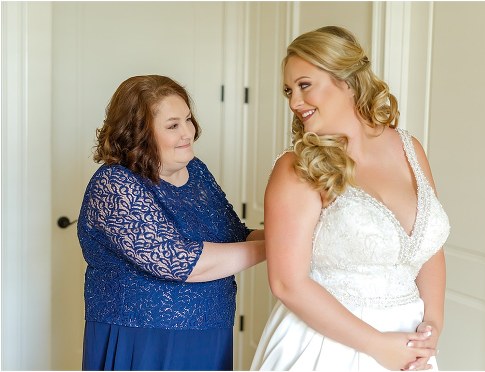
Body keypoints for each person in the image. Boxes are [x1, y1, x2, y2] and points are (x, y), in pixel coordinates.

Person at [249, 26, 450, 371]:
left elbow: (428, 248)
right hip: (325, 348)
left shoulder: (409, 148)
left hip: (410, 347)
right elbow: (287, 283)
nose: (295, 102)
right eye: (289, 91)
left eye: (305, 85)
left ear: (347, 80)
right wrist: (375, 345)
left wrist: (432, 324)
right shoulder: (297, 167)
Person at [77, 75, 266, 370]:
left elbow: (234, 235)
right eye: (173, 125)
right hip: (143, 339)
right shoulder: (115, 183)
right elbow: (177, 261)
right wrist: (279, 246)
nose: (188, 132)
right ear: (138, 132)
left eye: (188, 119)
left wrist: (298, 235)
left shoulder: (196, 170)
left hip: (210, 332)